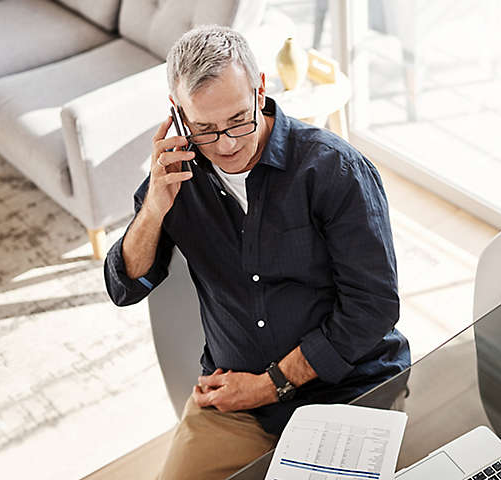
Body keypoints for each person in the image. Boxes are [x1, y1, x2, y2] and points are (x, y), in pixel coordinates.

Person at [104, 25, 410, 479]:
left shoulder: (334, 169)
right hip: (234, 404)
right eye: (205, 128)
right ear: (178, 113)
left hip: (348, 388)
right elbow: (124, 288)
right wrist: (152, 209)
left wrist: (270, 385)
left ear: (260, 88)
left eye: (238, 120)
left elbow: (373, 308)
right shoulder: (173, 181)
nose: (227, 144)